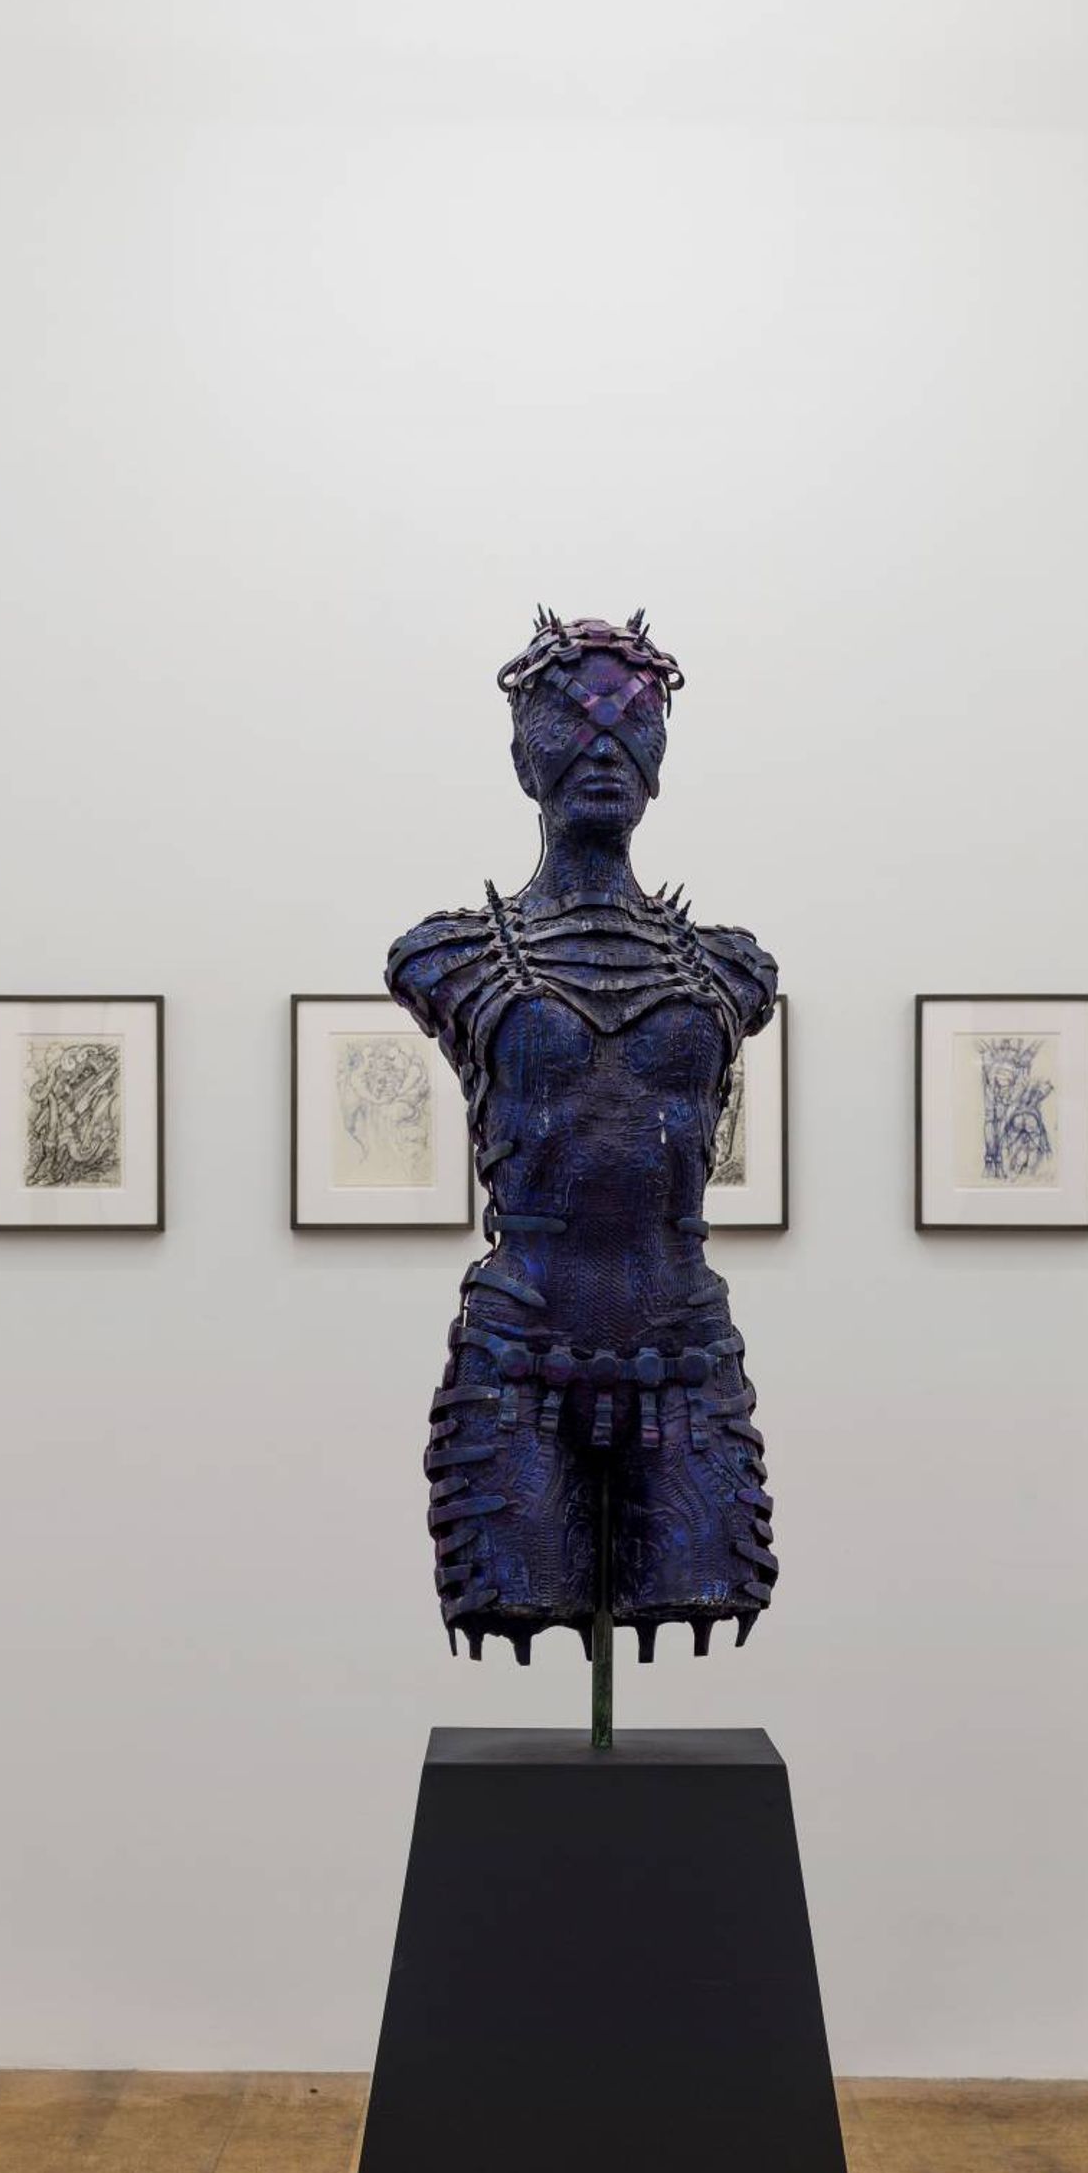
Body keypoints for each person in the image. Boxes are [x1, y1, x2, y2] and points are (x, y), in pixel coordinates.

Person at [387, 610, 779, 1664]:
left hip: (682, 1346)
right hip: (520, 1352)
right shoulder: (450, 957)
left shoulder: (730, 968)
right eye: (571, 718)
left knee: (703, 1580)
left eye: (632, 718)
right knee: (517, 1589)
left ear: (661, 754)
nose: (603, 747)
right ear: (525, 757)